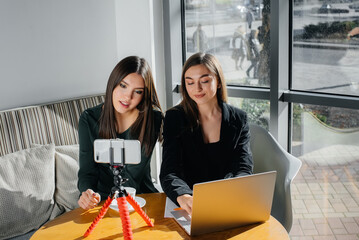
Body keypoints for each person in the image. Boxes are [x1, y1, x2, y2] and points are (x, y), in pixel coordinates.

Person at [160, 53, 253, 215]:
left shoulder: (239, 118)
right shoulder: (175, 118)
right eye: (190, 82)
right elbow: (170, 170)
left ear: (218, 82)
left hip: (227, 199)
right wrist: (184, 196)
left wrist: (230, 192)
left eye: (204, 81)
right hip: (188, 203)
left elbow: (243, 167)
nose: (197, 88)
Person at [77, 56, 163, 210]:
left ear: (143, 95)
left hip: (142, 198)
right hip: (103, 202)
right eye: (123, 86)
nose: (127, 97)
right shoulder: (89, 119)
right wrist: (87, 192)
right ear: (113, 83)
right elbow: (86, 172)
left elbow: (133, 175)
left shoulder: (152, 118)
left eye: (137, 91)